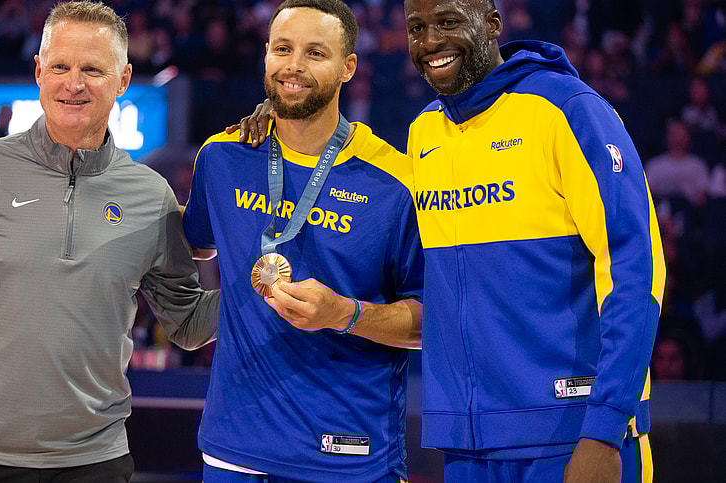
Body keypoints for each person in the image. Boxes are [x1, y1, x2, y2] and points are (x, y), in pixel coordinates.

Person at [232, 1, 665, 481]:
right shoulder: (425, 134)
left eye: (449, 22)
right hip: (467, 443)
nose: (431, 41)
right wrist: (281, 110)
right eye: (416, 27)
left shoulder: (567, 110)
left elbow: (635, 269)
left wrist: (605, 429)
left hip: (573, 432)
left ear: (492, 25)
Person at [0, 1, 219, 482]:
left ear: (122, 78)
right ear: (38, 71)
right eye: (60, 66)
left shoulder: (151, 195)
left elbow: (188, 323)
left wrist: (263, 283)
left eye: (93, 69)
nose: (73, 83)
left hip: (94, 464)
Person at [181, 0, 424, 481]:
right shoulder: (222, 155)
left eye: (315, 53)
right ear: (266, 55)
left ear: (347, 67)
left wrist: (344, 315)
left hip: (349, 454)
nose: (293, 66)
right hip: (234, 451)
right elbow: (194, 246)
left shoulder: (397, 181)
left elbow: (429, 321)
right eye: (282, 49)